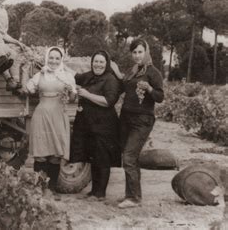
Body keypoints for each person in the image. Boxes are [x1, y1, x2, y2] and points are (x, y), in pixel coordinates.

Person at [113, 39, 164, 209]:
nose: (137, 56)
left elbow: (160, 97)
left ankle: (134, 198)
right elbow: (123, 86)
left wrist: (149, 88)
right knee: (130, 158)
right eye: (134, 52)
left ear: (146, 52)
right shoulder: (132, 71)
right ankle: (132, 195)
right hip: (126, 117)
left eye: (140, 52)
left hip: (142, 120)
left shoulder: (153, 72)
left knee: (128, 156)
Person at [69, 50, 121, 201]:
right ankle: (94, 191)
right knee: (94, 157)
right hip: (90, 124)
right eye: (95, 61)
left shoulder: (110, 80)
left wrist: (87, 95)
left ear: (107, 64)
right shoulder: (89, 75)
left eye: (101, 62)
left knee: (102, 158)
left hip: (104, 125)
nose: (98, 64)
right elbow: (75, 76)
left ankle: (100, 193)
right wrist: (58, 66)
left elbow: (108, 101)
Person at [26, 46, 76, 192]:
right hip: (41, 115)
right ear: (47, 59)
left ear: (61, 60)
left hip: (58, 115)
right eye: (51, 58)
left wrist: (71, 91)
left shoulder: (67, 76)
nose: (54, 61)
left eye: (57, 58)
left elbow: (73, 98)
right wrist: (28, 84)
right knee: (40, 154)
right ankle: (39, 187)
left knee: (55, 154)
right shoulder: (40, 75)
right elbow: (29, 88)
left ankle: (52, 188)